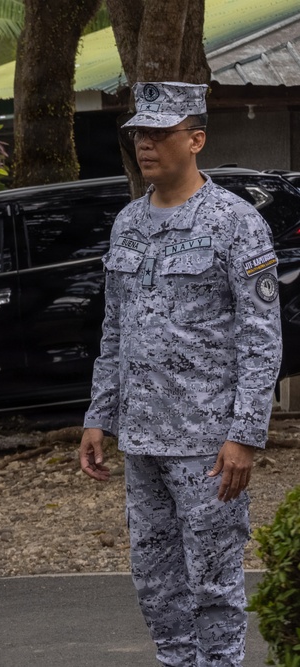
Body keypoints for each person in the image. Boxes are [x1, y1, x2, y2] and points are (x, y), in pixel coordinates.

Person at [79, 82, 282, 667]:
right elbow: (114, 330)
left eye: (160, 133)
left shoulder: (235, 223)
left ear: (196, 140)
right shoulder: (128, 223)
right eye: (139, 134)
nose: (146, 144)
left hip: (207, 444)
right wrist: (99, 415)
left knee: (214, 584)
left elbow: (261, 338)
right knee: (156, 580)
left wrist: (244, 435)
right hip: (143, 438)